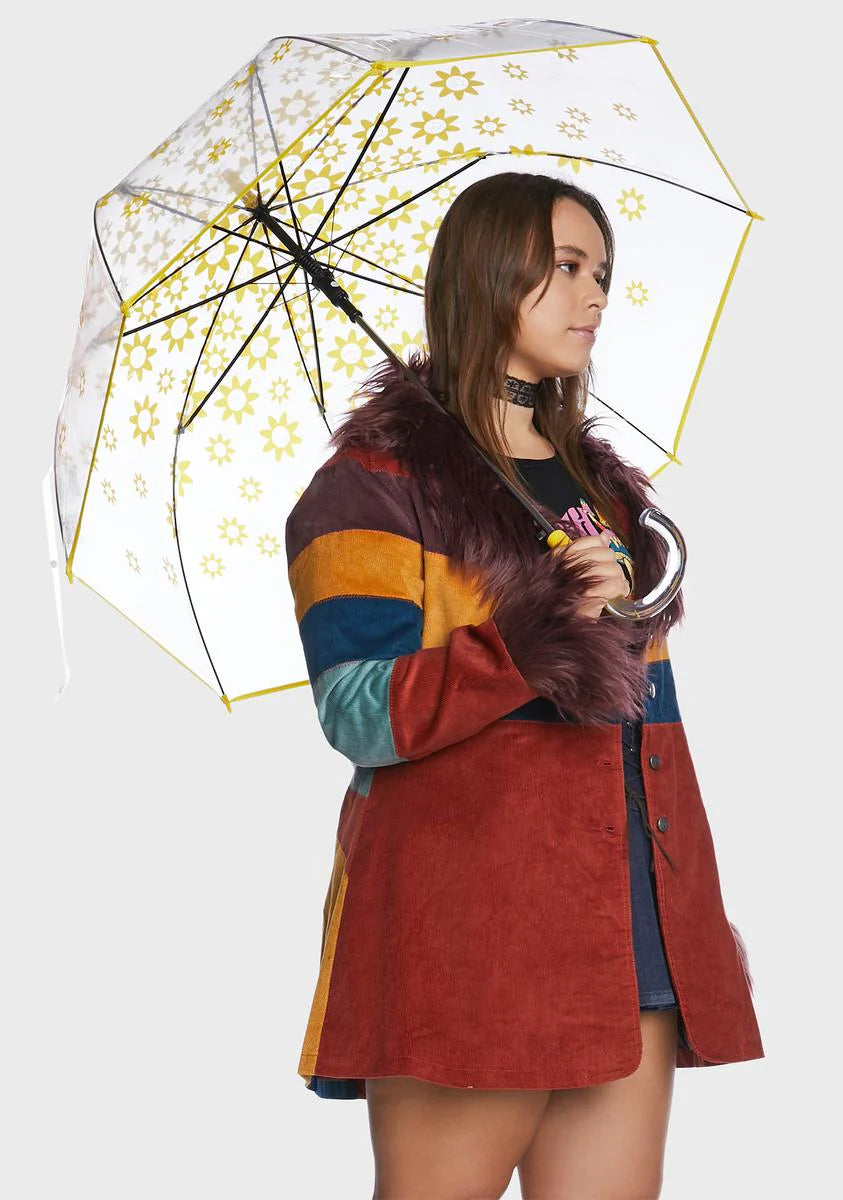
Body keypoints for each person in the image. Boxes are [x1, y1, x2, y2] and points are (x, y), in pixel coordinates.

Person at [284, 172, 763, 1200]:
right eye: (567, 267)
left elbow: (642, 715)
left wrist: (624, 608)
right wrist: (530, 634)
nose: (595, 296)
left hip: (631, 909)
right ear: (489, 274)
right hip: (473, 927)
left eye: (603, 272)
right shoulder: (371, 487)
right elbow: (359, 712)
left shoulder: (601, 493)